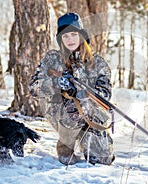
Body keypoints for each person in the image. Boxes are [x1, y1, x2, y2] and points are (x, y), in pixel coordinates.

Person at [30, 12, 114, 165]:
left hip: (91, 114)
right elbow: (33, 88)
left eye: (74, 34)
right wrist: (57, 84)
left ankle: (90, 141)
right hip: (61, 114)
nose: (70, 40)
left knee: (102, 159)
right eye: (65, 36)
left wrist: (83, 94)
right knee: (72, 109)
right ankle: (65, 148)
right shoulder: (52, 59)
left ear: (81, 35)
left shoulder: (98, 63)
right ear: (60, 38)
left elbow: (105, 94)